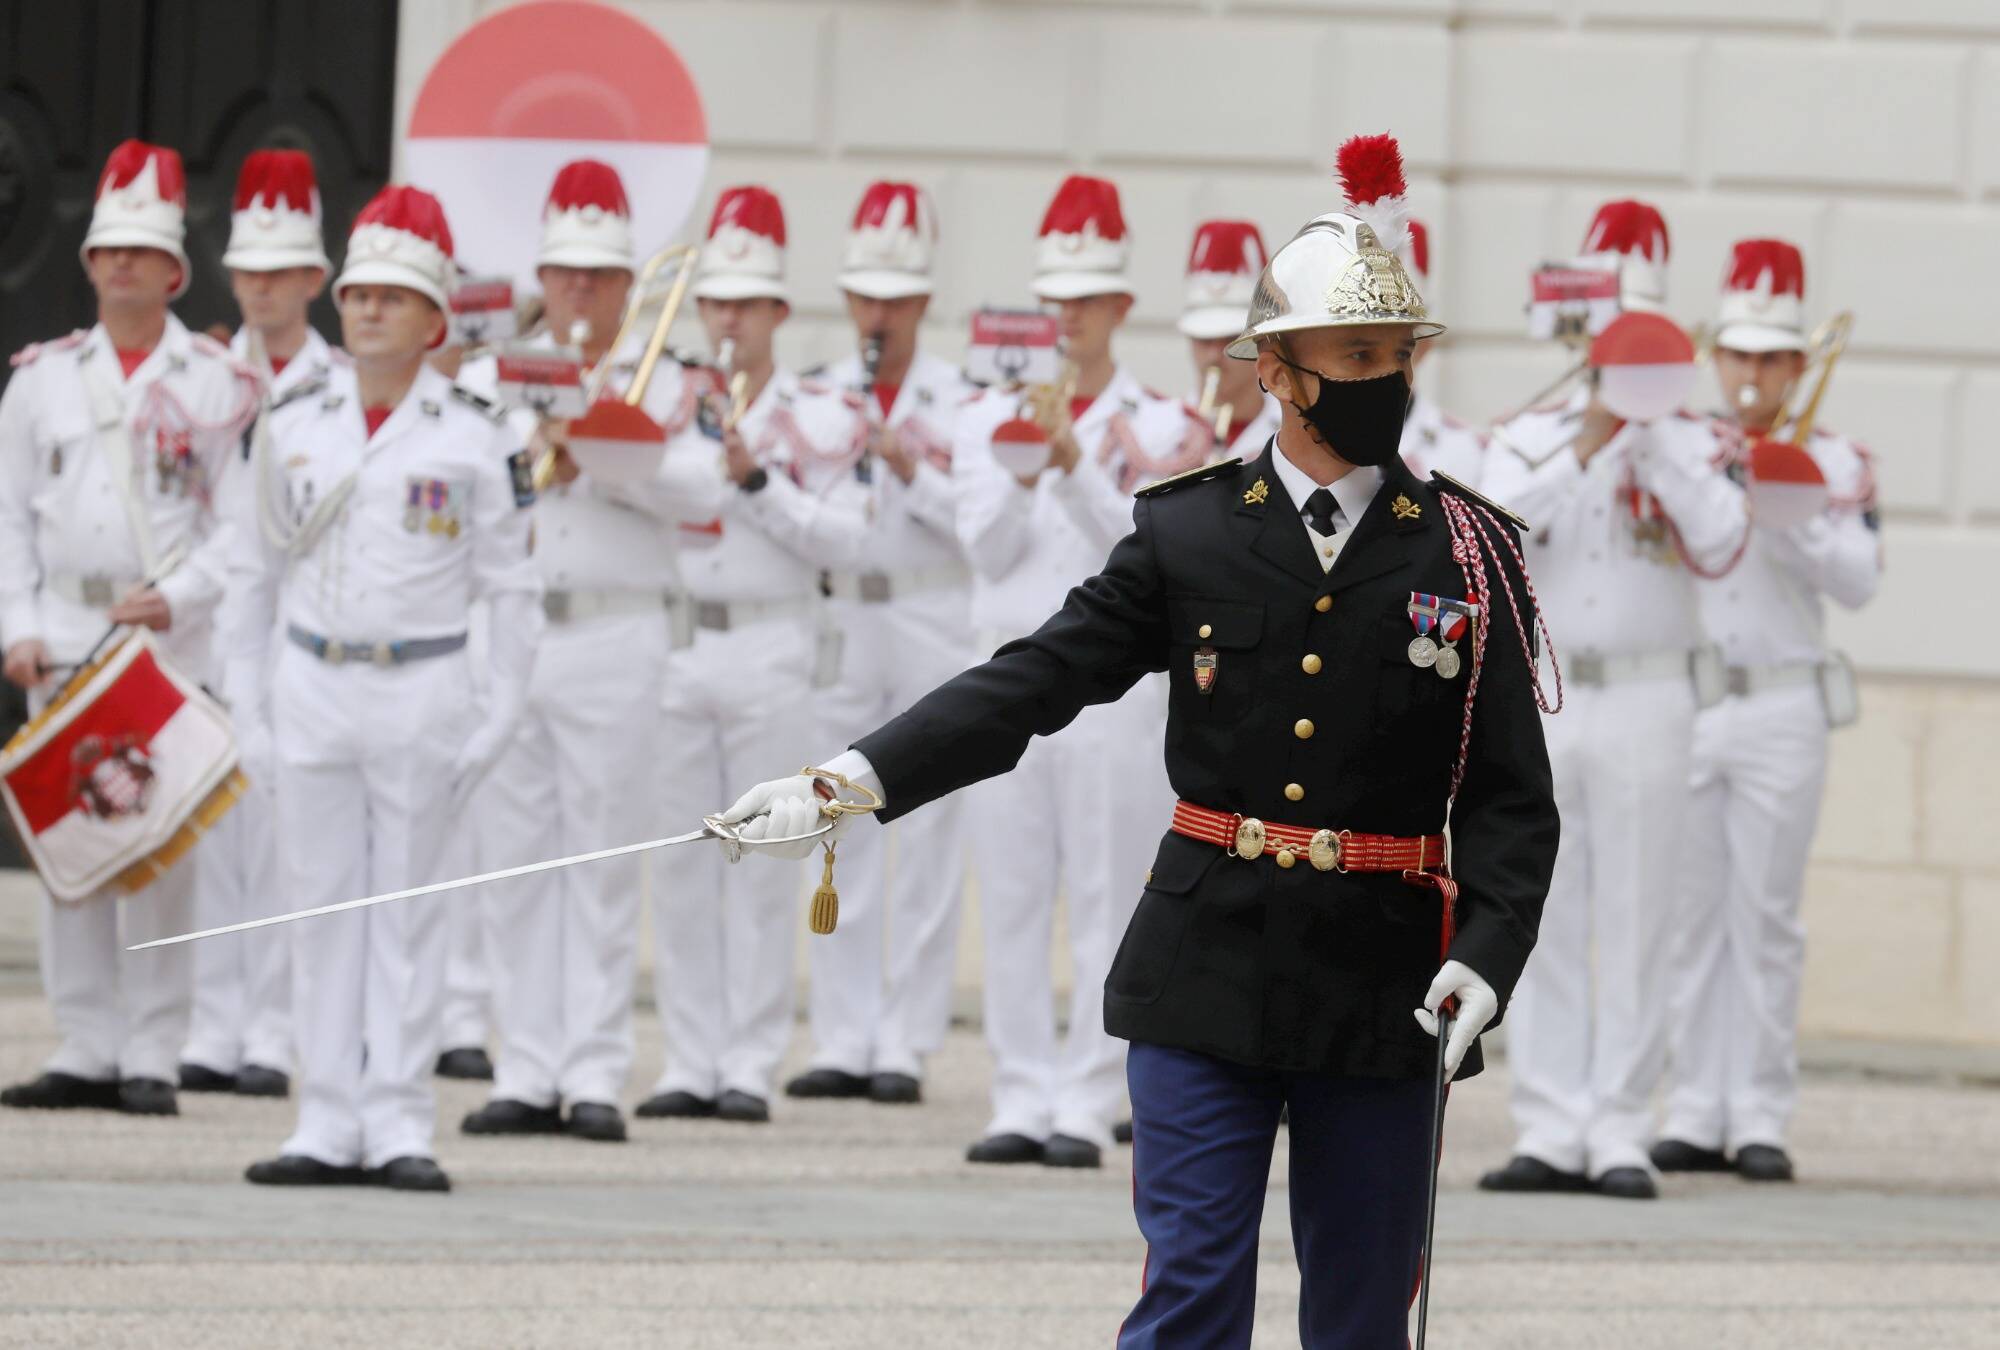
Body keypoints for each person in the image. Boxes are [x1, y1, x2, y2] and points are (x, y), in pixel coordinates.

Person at [720, 134, 1558, 1347]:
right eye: (1357, 354)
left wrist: (1487, 952)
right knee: (1190, 1301)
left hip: (1383, 990)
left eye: (1398, 354)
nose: (1388, 379)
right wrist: (850, 780)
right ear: (1279, 369)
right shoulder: (1193, 534)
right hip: (1202, 969)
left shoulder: (1467, 552)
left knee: (1362, 1319)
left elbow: (1508, 796)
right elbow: (1035, 680)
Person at [232, 186, 541, 1192]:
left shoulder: (476, 432)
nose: (367, 310)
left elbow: (510, 587)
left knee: (408, 910)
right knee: (319, 908)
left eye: (391, 298)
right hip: (312, 677)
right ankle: (325, 1119)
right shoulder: (290, 421)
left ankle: (401, 1120)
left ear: (433, 320)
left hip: (423, 683)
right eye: (358, 293)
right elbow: (251, 578)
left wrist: (497, 712)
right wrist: (249, 710)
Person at [937, 173, 1208, 1171]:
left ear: (1118, 310)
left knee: (1105, 890)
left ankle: (1089, 1098)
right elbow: (986, 550)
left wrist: (1072, 463)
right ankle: (1016, 1089)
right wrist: (1023, 462)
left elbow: (1145, 551)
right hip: (1008, 674)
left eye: (1085, 301)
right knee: (1009, 890)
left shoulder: (1165, 423)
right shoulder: (979, 418)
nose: (1066, 320)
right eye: (1053, 301)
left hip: (1113, 691)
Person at [1479, 200, 1749, 1201]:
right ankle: (1549, 1123)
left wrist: (1653, 439)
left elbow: (1722, 543)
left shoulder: (1694, 439)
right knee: (1540, 911)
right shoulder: (1533, 433)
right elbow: (1495, 530)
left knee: (1639, 916)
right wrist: (1592, 436)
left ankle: (1621, 1127)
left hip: (1647, 695)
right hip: (1547, 697)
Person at [458, 159, 724, 1145]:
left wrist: (608, 459)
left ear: (626, 285)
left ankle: (595, 1072)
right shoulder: (492, 378)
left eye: (598, 276)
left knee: (603, 861)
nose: (579, 290)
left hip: (618, 627)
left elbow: (703, 489)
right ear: (542, 274)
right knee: (513, 860)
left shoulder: (672, 375)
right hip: (521, 626)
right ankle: (524, 1064)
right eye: (565, 273)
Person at [0, 139, 257, 1118]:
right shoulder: (42, 380)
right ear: (90, 263)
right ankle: (83, 1043)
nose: (120, 267)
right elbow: (9, 514)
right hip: (63, 631)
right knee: (71, 842)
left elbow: (239, 527)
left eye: (140, 253)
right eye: (107, 251)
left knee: (158, 845)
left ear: (172, 270)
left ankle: (153, 1047)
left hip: (164, 639)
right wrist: (15, 624)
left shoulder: (217, 384)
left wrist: (184, 596)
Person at [637, 186, 870, 1126]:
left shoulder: (819, 413)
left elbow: (846, 542)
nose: (727, 320)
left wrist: (759, 482)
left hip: (775, 640)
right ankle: (689, 1055)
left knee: (769, 852)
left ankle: (749, 1060)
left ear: (778, 312)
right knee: (687, 861)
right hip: (685, 636)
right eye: (715, 303)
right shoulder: (666, 400)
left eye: (746, 303)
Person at [1653, 239, 1880, 1185]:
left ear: (1799, 365)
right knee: (1692, 913)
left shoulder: (1834, 459)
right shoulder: (1682, 443)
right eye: (1738, 355)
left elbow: (1861, 582)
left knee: (1768, 916)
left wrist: (1790, 503)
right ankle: (1696, 1107)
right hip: (1696, 696)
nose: (1751, 375)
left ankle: (1760, 1113)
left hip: (1784, 702)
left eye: (1770, 358)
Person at [786, 181, 978, 1107]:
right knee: (837, 815)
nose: (880, 314)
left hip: (929, 611)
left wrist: (910, 465)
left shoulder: (962, 398)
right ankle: (841, 1033)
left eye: (896, 298)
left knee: (930, 825)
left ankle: (906, 1039)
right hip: (846, 612)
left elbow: (978, 526)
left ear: (922, 302)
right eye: (866, 296)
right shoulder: (817, 393)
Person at [180, 148, 337, 1102]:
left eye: (282, 272)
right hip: (205, 627)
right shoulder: (199, 377)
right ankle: (211, 1023)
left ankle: (273, 1034)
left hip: (301, 631)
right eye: (249, 271)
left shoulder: (340, 380)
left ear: (315, 279)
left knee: (290, 835)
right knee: (212, 835)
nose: (263, 289)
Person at [1177, 220, 1281, 459]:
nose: (1214, 355)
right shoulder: (1162, 428)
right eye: (1204, 339)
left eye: (1230, 339)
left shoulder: (1293, 432)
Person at [1396, 220, 1487, 486]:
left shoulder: (1471, 450)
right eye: (1359, 353)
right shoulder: (1301, 448)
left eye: (1399, 351)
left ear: (1423, 347)